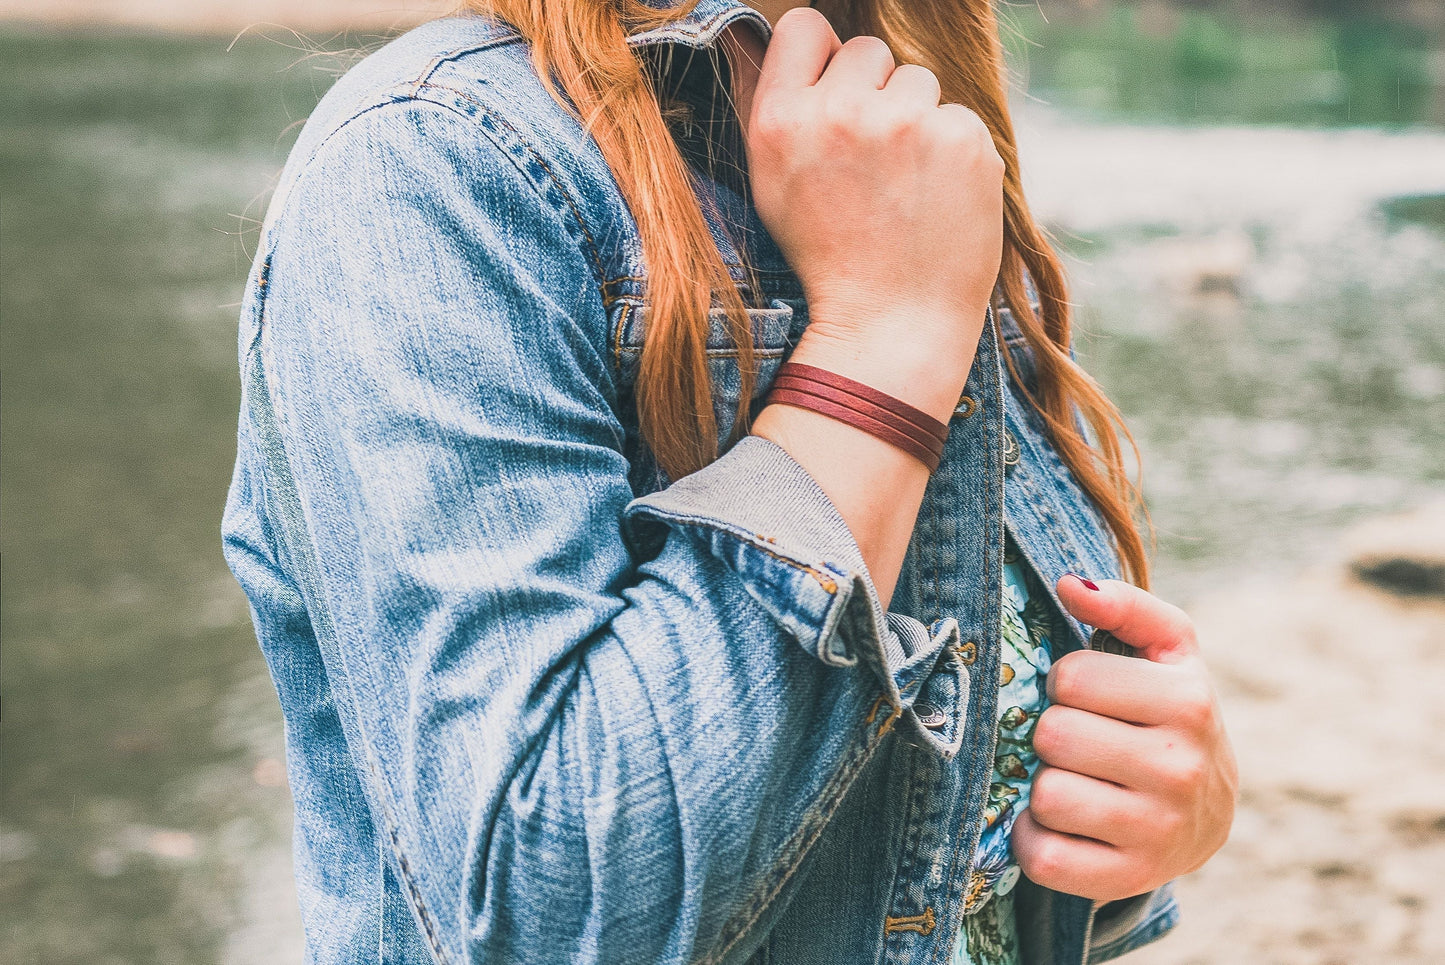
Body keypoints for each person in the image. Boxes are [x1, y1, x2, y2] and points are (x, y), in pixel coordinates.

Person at [221, 0, 1238, 961]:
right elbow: (550, 914)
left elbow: (945, 870)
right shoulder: (437, 156)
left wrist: (1136, 829)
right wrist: (881, 343)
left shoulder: (914, 134)